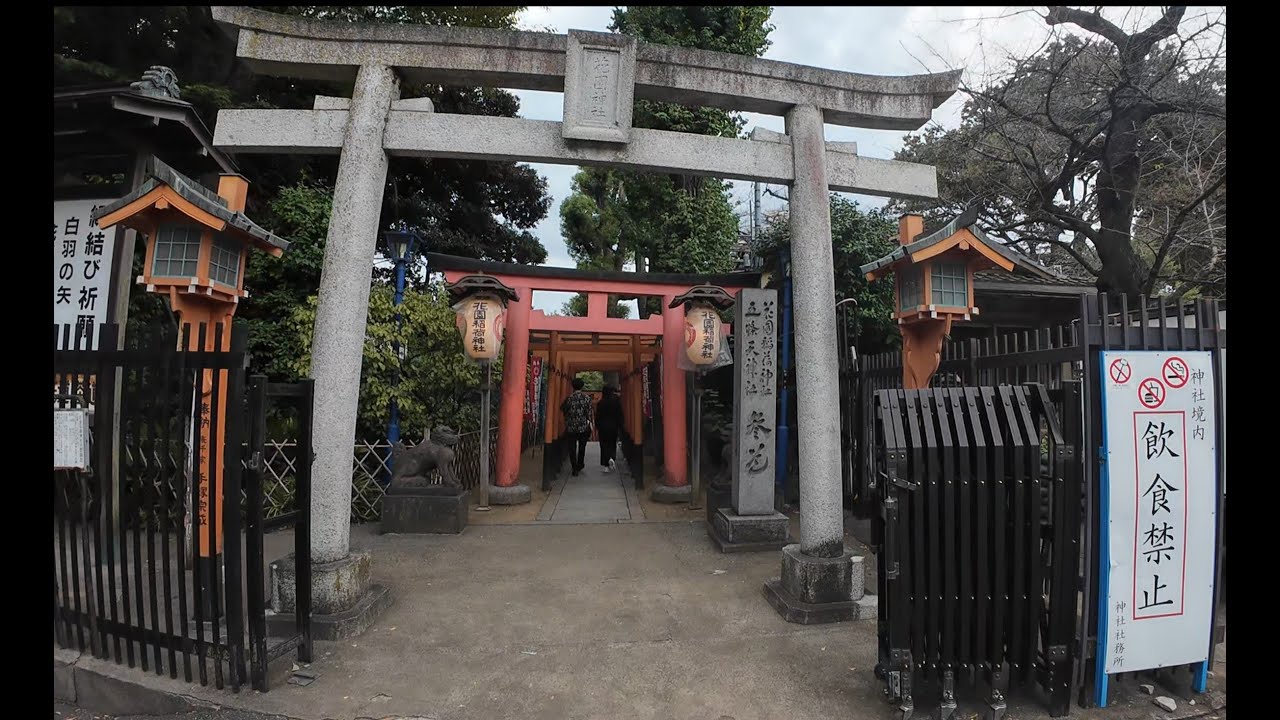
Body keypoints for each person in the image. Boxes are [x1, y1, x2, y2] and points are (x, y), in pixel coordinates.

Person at [561, 377, 594, 476]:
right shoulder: (586, 398)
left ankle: (574, 467)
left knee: (572, 447)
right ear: (582, 386)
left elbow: (563, 410)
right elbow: (589, 413)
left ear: (572, 386)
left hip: (571, 426)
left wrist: (568, 418)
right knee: (582, 447)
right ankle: (580, 464)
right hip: (583, 426)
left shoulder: (569, 398)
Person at [595, 384, 624, 473]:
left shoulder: (600, 403)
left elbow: (598, 416)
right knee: (612, 443)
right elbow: (619, 414)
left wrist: (597, 425)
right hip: (613, 426)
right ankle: (612, 457)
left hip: (603, 426)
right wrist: (620, 424)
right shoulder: (616, 402)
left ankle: (606, 465)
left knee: (603, 445)